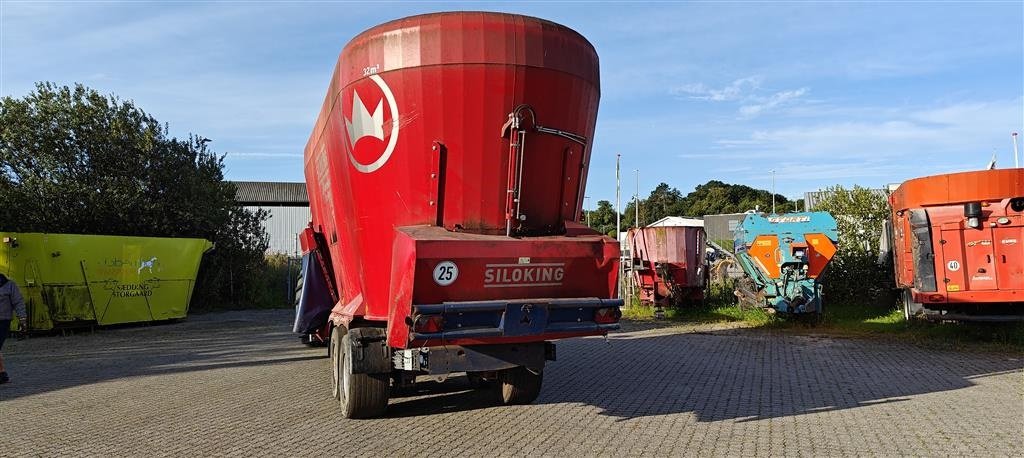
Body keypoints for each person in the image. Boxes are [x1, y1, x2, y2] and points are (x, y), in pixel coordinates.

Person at [0, 272, 27, 384]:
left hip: (3, 321)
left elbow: (18, 302)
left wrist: (22, 319)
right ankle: (2, 373)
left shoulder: (9, 285)